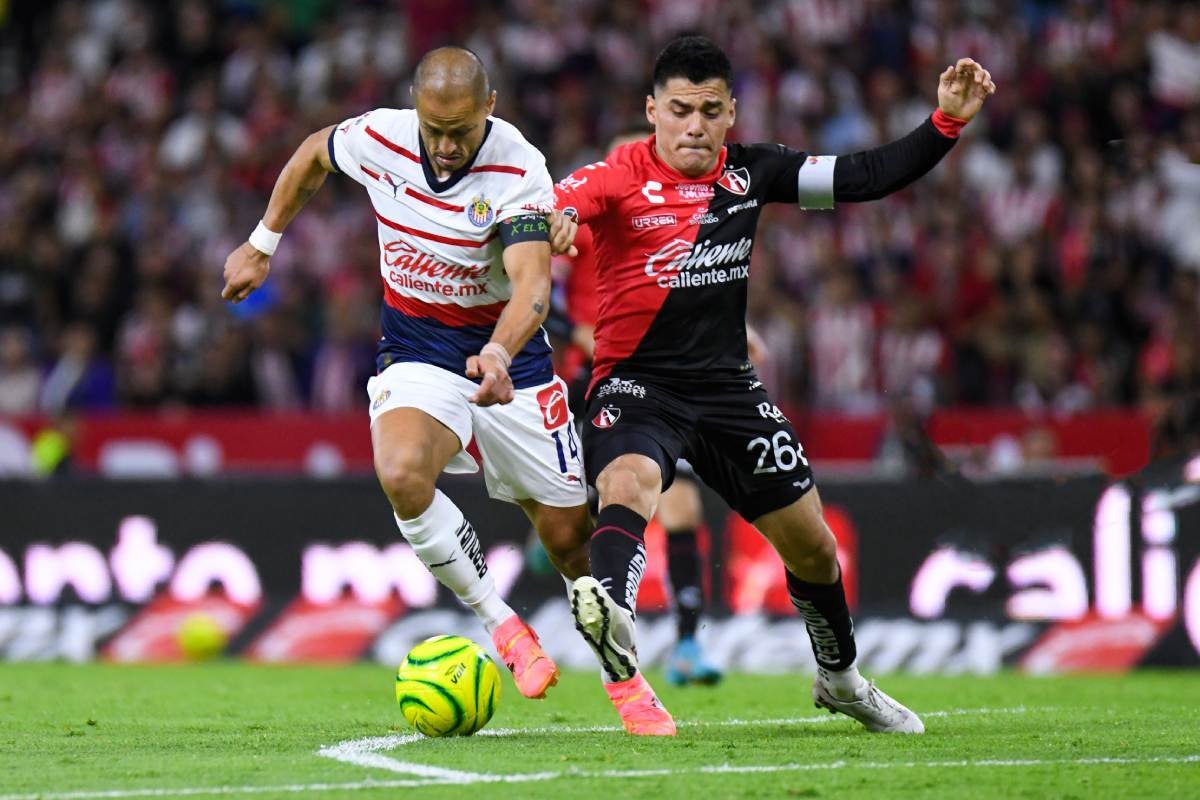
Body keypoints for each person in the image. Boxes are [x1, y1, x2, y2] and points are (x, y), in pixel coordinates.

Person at [553, 35, 994, 736]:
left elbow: (863, 176)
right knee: (629, 483)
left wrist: (945, 122)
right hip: (635, 385)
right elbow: (560, 205)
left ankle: (841, 679)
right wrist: (555, 219)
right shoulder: (613, 175)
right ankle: (614, 613)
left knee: (813, 547)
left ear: (731, 113)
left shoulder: (753, 173)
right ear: (651, 112)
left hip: (728, 391)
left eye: (709, 110)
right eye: (678, 110)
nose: (694, 125)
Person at [221, 47, 594, 703]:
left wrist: (502, 351)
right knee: (399, 472)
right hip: (418, 349)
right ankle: (503, 624)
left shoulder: (518, 167)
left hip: (514, 359)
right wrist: (262, 243)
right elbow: (313, 152)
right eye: (434, 130)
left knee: (570, 539)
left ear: (490, 108)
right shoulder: (380, 137)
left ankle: (626, 673)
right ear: (416, 110)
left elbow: (534, 287)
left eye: (460, 131)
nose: (446, 147)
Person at [549, 133, 768, 685]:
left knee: (683, 508)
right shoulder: (587, 212)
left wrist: (733, 329)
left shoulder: (670, 216)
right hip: (594, 374)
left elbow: (687, 292)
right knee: (594, 506)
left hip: (664, 379)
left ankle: (688, 642)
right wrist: (574, 331)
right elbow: (524, 283)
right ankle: (559, 541)